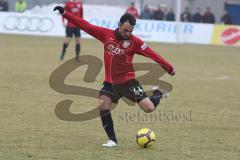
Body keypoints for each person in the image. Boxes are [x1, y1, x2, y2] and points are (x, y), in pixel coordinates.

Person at [54, 6, 175, 147]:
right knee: (102, 104)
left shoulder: (135, 42)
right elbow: (85, 26)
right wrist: (65, 13)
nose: (128, 33)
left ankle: (158, 93)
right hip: (110, 82)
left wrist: (169, 68)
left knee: (149, 108)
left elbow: (152, 54)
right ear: (119, 25)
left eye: (131, 31)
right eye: (125, 30)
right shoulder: (106, 35)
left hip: (128, 82)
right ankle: (112, 140)